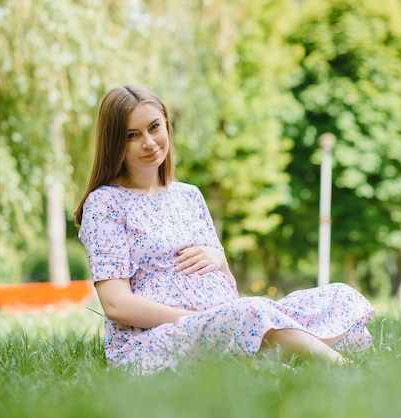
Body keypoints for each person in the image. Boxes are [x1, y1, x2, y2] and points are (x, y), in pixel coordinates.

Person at [74, 84, 375, 373]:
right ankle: (343, 369)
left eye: (154, 127)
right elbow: (116, 304)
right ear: (115, 143)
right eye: (132, 135)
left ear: (166, 125)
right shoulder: (105, 204)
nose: (150, 142)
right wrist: (201, 321)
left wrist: (220, 262)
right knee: (252, 313)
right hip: (156, 339)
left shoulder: (189, 195)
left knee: (338, 297)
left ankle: (275, 353)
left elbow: (229, 289)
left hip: (228, 320)